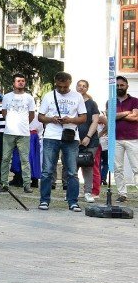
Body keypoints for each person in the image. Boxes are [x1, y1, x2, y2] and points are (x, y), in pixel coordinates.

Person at [37, 72, 87, 211]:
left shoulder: (77, 96)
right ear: (55, 83)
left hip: (70, 137)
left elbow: (83, 118)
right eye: (60, 87)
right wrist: (52, 119)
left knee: (72, 171)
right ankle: (44, 200)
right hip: (51, 136)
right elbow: (40, 117)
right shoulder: (48, 96)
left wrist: (70, 120)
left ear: (70, 83)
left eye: (65, 87)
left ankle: (72, 201)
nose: (63, 89)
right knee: (47, 170)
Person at [0, 73, 36, 193]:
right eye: (18, 81)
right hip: (9, 132)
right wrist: (11, 122)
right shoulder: (6, 97)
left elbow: (31, 115)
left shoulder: (29, 98)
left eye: (23, 81)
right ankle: (4, 183)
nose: (21, 83)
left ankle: (27, 184)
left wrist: (24, 123)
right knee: (5, 158)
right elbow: (4, 112)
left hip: (24, 133)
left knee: (25, 159)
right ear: (13, 83)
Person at [76, 79, 102, 203]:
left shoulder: (92, 103)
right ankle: (73, 192)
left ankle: (87, 192)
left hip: (90, 140)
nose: (81, 88)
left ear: (87, 88)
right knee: (72, 167)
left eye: (84, 86)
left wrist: (88, 137)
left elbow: (95, 121)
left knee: (88, 166)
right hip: (73, 139)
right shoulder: (72, 101)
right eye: (79, 85)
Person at [113, 76, 138, 203]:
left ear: (127, 86)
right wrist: (126, 113)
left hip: (133, 138)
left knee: (136, 167)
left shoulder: (135, 101)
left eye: (122, 85)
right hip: (116, 139)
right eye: (117, 85)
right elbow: (110, 117)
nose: (119, 87)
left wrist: (118, 116)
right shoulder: (111, 101)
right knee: (118, 168)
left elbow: (136, 118)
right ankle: (122, 193)